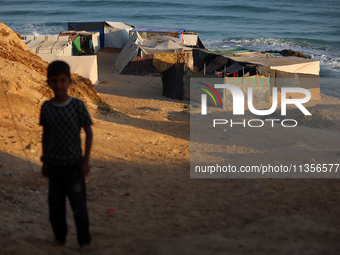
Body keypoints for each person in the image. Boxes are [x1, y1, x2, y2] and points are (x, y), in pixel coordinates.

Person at [39, 61, 93, 251]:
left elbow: (89, 132)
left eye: (63, 80)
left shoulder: (77, 106)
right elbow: (45, 135)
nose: (59, 85)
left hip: (74, 166)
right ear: (49, 83)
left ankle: (84, 241)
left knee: (78, 206)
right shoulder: (46, 108)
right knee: (56, 205)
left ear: (69, 82)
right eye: (54, 81)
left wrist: (85, 161)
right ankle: (60, 238)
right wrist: (44, 161)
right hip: (54, 165)